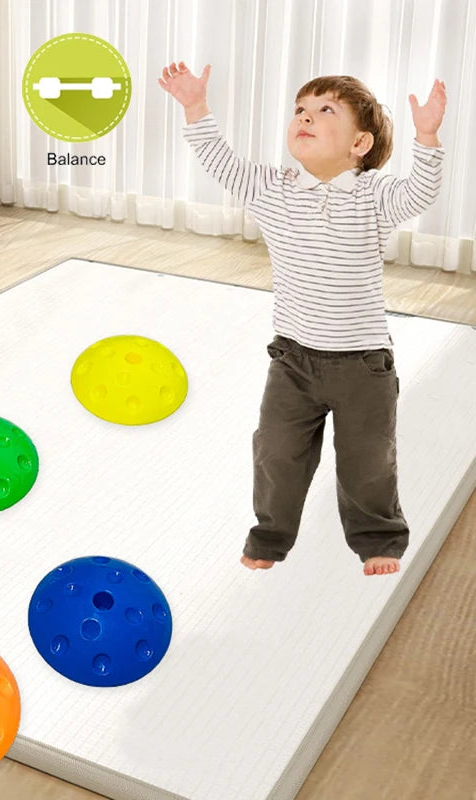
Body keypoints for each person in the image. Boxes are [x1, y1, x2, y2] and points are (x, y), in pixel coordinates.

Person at [158, 63, 446, 576]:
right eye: (300, 110)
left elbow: (419, 194)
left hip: (363, 364)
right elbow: (220, 162)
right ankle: (270, 534)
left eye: (324, 110)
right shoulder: (274, 188)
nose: (305, 118)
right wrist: (195, 107)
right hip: (292, 360)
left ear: (359, 144)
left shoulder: (373, 194)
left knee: (368, 462)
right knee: (276, 452)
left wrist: (427, 137)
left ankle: (378, 537)